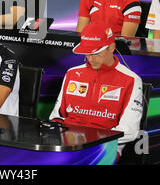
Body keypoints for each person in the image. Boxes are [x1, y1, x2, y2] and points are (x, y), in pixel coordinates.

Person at [50, 21, 143, 158]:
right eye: (87, 53)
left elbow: (130, 131)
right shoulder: (72, 74)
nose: (90, 58)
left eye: (96, 53)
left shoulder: (132, 80)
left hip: (104, 149)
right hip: (67, 145)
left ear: (111, 47)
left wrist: (87, 141)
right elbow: (56, 117)